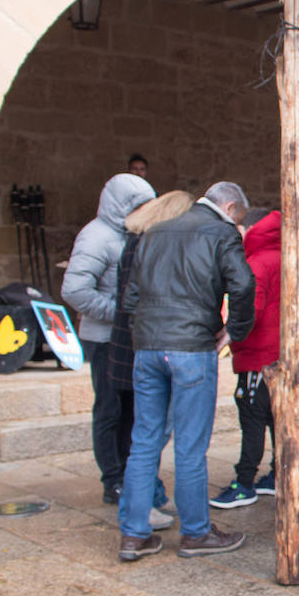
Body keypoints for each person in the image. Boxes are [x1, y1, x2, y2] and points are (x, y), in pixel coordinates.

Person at [116, 182, 256, 561]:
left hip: (148, 349)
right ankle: (196, 533)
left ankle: (133, 535)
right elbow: (243, 284)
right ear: (229, 206)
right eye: (240, 217)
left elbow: (130, 297)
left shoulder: (155, 231)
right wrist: (234, 332)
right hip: (193, 349)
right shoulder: (221, 232)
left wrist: (146, 334)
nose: (239, 224)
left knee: (144, 442)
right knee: (191, 447)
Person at [61, 173, 155, 506]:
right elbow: (74, 290)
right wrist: (120, 312)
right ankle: (112, 478)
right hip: (104, 338)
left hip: (131, 338)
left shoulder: (135, 234)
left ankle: (131, 472)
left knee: (132, 407)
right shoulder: (96, 236)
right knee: (109, 409)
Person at [108, 191, 196, 528]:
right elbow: (138, 301)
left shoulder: (136, 243)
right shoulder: (149, 246)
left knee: (147, 435)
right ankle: (136, 509)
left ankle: (147, 502)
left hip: (138, 345)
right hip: (147, 347)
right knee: (151, 436)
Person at [211, 208, 280, 509]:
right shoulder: (281, 256)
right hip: (278, 354)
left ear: (251, 228)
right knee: (276, 418)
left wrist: (229, 333)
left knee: (252, 418)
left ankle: (245, 483)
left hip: (258, 357)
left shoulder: (256, 262)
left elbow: (252, 308)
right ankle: (279, 474)